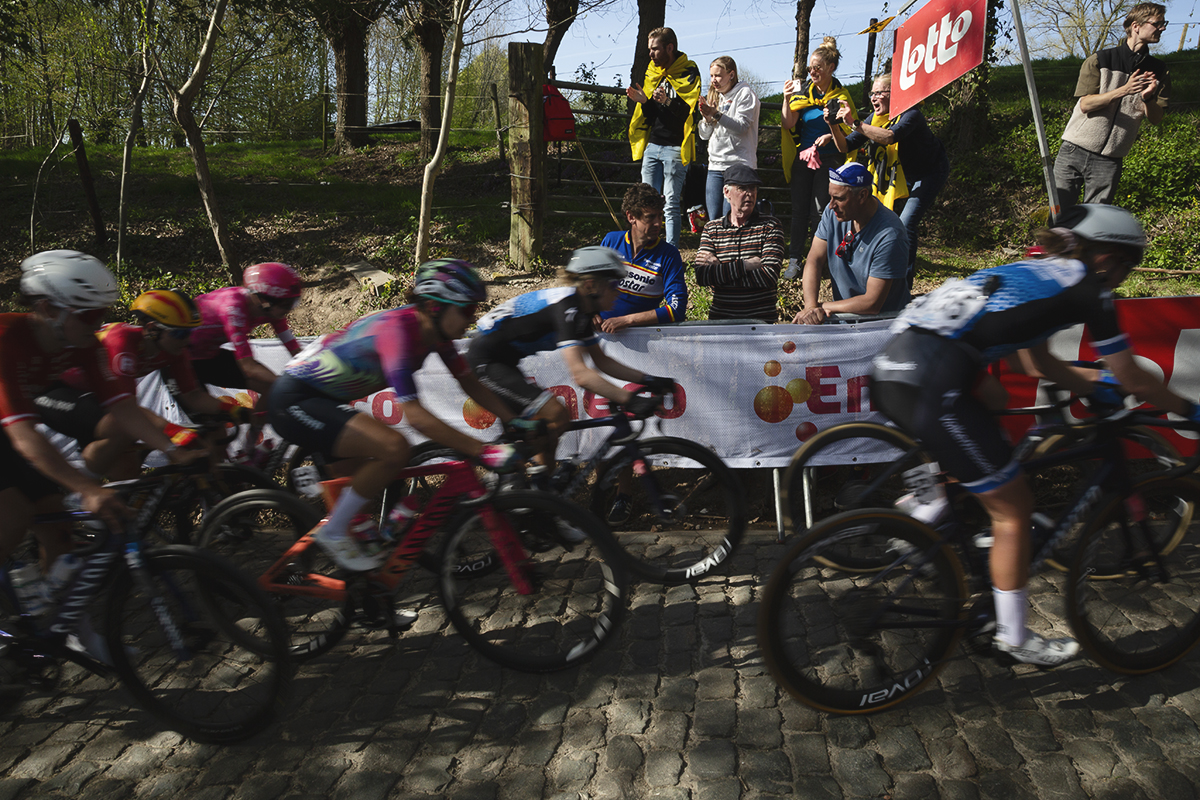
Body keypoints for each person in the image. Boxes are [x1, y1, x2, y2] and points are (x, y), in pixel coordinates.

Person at [869, 204, 1200, 666]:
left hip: (895, 365)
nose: (1127, 276)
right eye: (1130, 264)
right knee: (1014, 508)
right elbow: (1136, 378)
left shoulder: (1040, 270)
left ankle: (929, 510)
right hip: (935, 378)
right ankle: (1014, 634)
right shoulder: (1091, 290)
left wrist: (1093, 384)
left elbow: (1036, 362)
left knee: (997, 410)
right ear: (1107, 258)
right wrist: (1190, 410)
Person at [0, 252, 202, 659]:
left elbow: (123, 407)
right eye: (90, 317)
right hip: (12, 430)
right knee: (14, 518)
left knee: (56, 528)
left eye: (102, 315)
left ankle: (73, 632)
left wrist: (173, 450)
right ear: (47, 308)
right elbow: (23, 436)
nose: (99, 326)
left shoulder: (78, 342)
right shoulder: (6, 340)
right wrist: (87, 488)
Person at [266, 259, 521, 572]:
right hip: (294, 399)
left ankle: (368, 596)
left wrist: (513, 419)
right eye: (466, 310)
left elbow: (470, 382)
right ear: (434, 306)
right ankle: (333, 532)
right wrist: (484, 451)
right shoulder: (399, 331)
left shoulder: (435, 335)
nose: (472, 318)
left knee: (366, 500)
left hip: (322, 399)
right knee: (394, 447)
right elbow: (414, 415)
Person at [466, 247, 674, 522]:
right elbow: (581, 374)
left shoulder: (583, 312)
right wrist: (628, 400)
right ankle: (505, 479)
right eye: (614, 285)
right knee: (556, 414)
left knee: (546, 443)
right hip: (485, 361)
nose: (619, 292)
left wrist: (649, 380)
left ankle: (538, 513)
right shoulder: (568, 307)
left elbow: (602, 362)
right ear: (591, 285)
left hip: (504, 361)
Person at [51, 289, 229, 480]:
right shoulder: (121, 341)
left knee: (127, 473)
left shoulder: (175, 349)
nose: (187, 340)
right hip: (63, 390)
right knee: (120, 433)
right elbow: (127, 407)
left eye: (190, 332)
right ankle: (80, 491)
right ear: (153, 329)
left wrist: (234, 410)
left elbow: (192, 395)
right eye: (179, 333)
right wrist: (173, 431)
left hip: (98, 397)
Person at [826, 74, 949, 287]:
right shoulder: (874, 120)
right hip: (898, 178)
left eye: (879, 93)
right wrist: (833, 125)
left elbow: (889, 137)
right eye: (871, 93)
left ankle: (901, 285)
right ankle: (875, 274)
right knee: (885, 222)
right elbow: (845, 147)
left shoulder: (911, 114)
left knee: (906, 224)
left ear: (895, 95)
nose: (874, 98)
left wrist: (854, 123)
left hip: (927, 174)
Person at [1052, 2, 1169, 207]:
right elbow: (1086, 104)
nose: (1163, 28)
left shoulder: (1158, 70)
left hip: (1110, 160)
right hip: (1074, 150)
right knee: (1058, 218)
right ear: (1136, 26)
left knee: (1095, 226)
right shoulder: (1100, 59)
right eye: (1157, 23)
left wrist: (1147, 98)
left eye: (1163, 23)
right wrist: (1124, 90)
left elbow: (1157, 118)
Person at [791, 163, 910, 324]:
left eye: (839, 198)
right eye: (831, 197)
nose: (831, 205)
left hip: (883, 326)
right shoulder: (833, 213)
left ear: (862, 196)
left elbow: (872, 303)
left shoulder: (890, 236)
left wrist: (822, 306)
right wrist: (810, 305)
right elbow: (814, 260)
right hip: (846, 321)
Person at [780, 37, 857, 280]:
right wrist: (785, 98)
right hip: (804, 158)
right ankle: (794, 260)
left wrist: (829, 135)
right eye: (810, 68)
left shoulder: (841, 96)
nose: (812, 72)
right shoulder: (803, 94)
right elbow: (787, 123)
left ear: (831, 68)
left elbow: (850, 130)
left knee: (821, 211)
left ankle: (819, 261)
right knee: (799, 210)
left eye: (817, 68)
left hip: (830, 160)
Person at [627, 27, 702, 248]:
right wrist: (644, 101)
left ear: (669, 48)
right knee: (646, 202)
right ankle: (646, 246)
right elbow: (651, 116)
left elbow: (689, 113)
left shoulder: (688, 71)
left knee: (669, 205)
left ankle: (670, 252)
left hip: (675, 148)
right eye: (649, 49)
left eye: (655, 49)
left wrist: (667, 101)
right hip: (653, 146)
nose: (650, 54)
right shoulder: (653, 71)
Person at [189, 262, 304, 397]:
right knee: (203, 407)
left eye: (293, 303)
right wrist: (288, 386)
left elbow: (295, 350)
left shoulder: (271, 309)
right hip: (183, 356)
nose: (289, 309)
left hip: (210, 354)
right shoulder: (234, 309)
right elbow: (249, 367)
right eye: (286, 304)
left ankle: (259, 418)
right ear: (262, 300)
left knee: (270, 388)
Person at [694, 164, 786, 323]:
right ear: (726, 192)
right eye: (742, 188)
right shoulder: (712, 229)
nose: (750, 193)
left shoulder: (770, 226)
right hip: (721, 322)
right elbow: (702, 276)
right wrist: (745, 265)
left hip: (760, 323)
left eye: (753, 188)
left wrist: (721, 270)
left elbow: (769, 277)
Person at [598, 183, 689, 332]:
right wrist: (590, 313)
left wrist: (627, 320)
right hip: (602, 334)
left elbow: (677, 309)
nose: (658, 223)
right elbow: (588, 288)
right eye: (650, 217)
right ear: (631, 217)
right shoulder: (611, 241)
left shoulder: (669, 255)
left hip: (642, 337)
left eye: (660, 215)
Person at [696, 55, 760, 224]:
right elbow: (704, 135)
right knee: (714, 218)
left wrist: (715, 114)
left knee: (732, 218)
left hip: (738, 163)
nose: (713, 80)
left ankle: (733, 249)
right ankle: (714, 250)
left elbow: (741, 126)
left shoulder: (745, 93)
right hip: (716, 164)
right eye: (711, 76)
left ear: (731, 74)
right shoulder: (714, 96)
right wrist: (707, 119)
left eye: (718, 75)